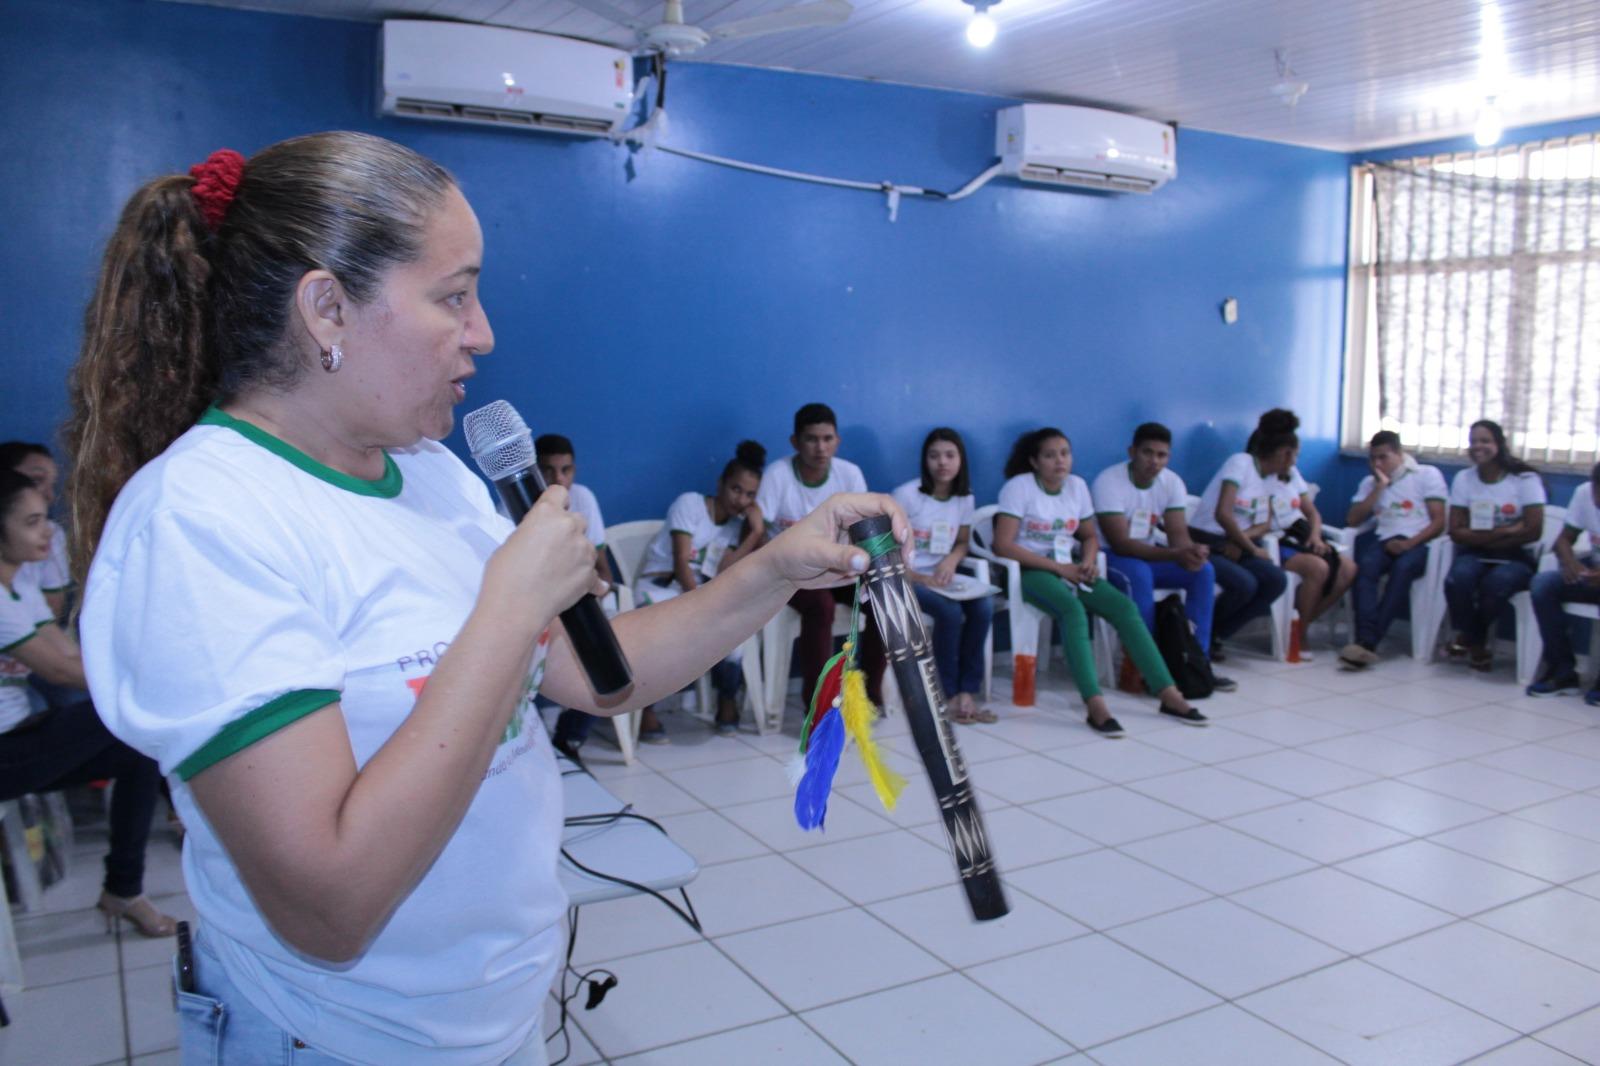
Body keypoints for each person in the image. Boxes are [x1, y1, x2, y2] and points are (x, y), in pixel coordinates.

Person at [69, 133, 906, 1065]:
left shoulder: (433, 477)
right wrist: (507, 610)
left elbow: (598, 680)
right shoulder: (204, 520)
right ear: (326, 309)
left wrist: (774, 570)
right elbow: (330, 908)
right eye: (454, 295)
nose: (484, 332)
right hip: (335, 1037)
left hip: (491, 1018)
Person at [0, 470, 175, 938]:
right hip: (6, 747)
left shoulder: (19, 588)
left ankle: (123, 889)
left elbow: (69, 654)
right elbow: (59, 672)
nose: (46, 532)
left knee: (139, 750)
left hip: (23, 731)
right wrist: (154, 683)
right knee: (131, 720)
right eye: (33, 522)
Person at [992, 428, 1206, 736]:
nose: (1059, 461)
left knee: (1124, 608)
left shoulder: (1077, 486)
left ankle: (1168, 693)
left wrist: (1089, 561)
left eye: (1064, 453)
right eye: (1050, 455)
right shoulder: (1019, 487)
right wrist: (1058, 567)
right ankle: (1095, 705)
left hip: (1072, 566)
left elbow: (1089, 535)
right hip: (1032, 570)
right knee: (1073, 611)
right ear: (1035, 462)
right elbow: (1003, 545)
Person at [634, 440, 769, 734]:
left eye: (749, 495)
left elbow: (725, 571)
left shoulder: (736, 527)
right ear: (720, 483)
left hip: (700, 594)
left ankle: (727, 699)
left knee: (734, 634)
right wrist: (701, 606)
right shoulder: (691, 503)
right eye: (735, 489)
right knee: (663, 637)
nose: (740, 499)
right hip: (661, 589)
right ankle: (644, 708)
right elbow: (683, 562)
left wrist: (756, 531)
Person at [757, 403, 886, 707]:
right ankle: (818, 705)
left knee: (880, 599)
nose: (820, 447)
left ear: (837, 441)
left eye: (827, 439)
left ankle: (869, 695)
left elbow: (864, 531)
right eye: (811, 439)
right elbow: (759, 532)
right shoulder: (777, 475)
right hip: (791, 573)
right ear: (795, 442)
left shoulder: (850, 474)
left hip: (838, 569)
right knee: (820, 607)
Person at [1092, 422, 1236, 692]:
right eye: (1148, 453)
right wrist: (1174, 553)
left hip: (1149, 555)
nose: (1154, 461)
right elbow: (1121, 544)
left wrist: (1190, 552)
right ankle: (1145, 666)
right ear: (1132, 451)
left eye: (1162, 455)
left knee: (1202, 571)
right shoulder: (1109, 481)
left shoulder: (1172, 482)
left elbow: (1178, 534)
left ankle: (1195, 661)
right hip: (1110, 557)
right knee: (1139, 574)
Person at [891, 428, 996, 724]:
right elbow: (887, 548)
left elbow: (962, 541)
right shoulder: (907, 495)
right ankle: (946, 692)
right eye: (934, 456)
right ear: (925, 460)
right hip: (907, 575)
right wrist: (918, 577)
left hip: (942, 575)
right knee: (949, 613)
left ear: (961, 460)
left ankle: (967, 690)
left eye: (950, 455)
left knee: (983, 607)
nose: (942, 463)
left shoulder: (964, 498)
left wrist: (950, 561)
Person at [539, 433, 627, 748]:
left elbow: (603, 570)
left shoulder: (584, 498)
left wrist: (595, 592)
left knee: (607, 648)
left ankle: (570, 738)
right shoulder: (511, 507)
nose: (559, 479)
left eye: (566, 470)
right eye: (549, 470)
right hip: (541, 605)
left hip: (582, 597)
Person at [1188, 412, 1294, 660]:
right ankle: (1197, 634)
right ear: (1282, 452)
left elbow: (1265, 522)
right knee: (1244, 583)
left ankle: (1216, 634)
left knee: (1275, 580)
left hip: (1235, 543)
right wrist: (1251, 547)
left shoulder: (1269, 479)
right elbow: (1223, 513)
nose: (1293, 461)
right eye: (1291, 453)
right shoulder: (1241, 463)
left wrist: (1240, 540)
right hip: (1206, 541)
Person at [1339, 431, 1448, 668]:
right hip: (1386, 540)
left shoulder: (1426, 475)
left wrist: (1409, 544)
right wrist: (1379, 488)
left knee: (1403, 568)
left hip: (1420, 543)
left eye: (1383, 457)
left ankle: (1368, 642)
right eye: (1373, 459)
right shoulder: (1370, 483)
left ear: (1399, 454)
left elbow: (1439, 522)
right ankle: (1365, 640)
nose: (1378, 464)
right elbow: (1353, 520)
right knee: (1365, 568)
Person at [1444, 419, 1546, 671]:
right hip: (1475, 552)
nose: (1478, 447)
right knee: (1457, 580)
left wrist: (1484, 534)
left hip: (1515, 555)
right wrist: (1506, 530)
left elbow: (1534, 530)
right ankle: (1478, 644)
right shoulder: (1464, 478)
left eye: (1485, 441)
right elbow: (1455, 531)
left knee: (1496, 584)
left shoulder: (1525, 479)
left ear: (1499, 444)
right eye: (1473, 442)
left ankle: (1469, 639)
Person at [1255, 420, 1357, 660]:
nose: (1293, 460)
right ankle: (1298, 635)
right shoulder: (1257, 476)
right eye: (1289, 454)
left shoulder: (1292, 476)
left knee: (1349, 569)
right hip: (1276, 541)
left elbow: (1311, 512)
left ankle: (1300, 624)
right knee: (1318, 568)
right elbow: (1263, 523)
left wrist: (1315, 536)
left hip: (1301, 534)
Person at [1525, 462, 1600, 704]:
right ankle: (1563, 671)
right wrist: (1569, 562)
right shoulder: (1583, 494)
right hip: (1591, 570)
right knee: (1543, 586)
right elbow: (1563, 539)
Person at [1, 441, 72, 619]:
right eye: (37, 480)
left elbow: (50, 614)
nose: (49, 495)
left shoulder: (52, 534)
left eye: (53, 485)